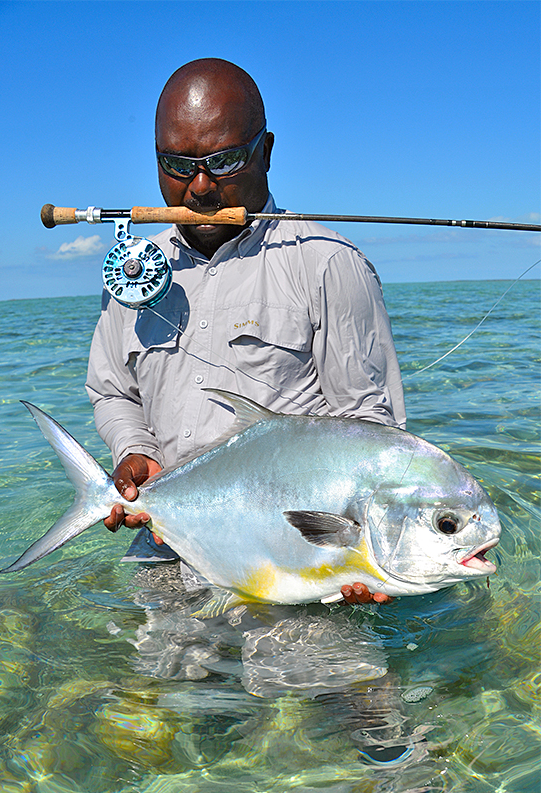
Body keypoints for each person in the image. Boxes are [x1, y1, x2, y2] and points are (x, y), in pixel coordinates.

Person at [86, 58, 406, 605]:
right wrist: (134, 451)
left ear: (267, 150)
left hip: (297, 563)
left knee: (348, 691)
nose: (200, 186)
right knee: (152, 693)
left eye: (225, 159)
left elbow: (370, 429)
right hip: (166, 552)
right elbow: (113, 389)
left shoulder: (326, 263)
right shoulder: (133, 273)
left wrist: (367, 550)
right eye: (177, 164)